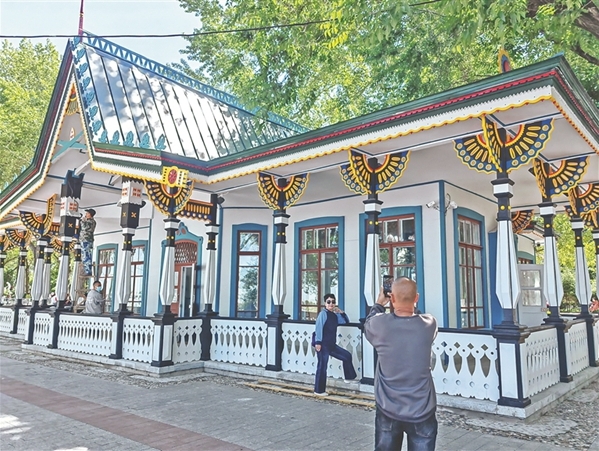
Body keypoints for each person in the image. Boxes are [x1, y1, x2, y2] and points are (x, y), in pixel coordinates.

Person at [364, 277, 438, 451]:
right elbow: (416, 316)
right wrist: (408, 298)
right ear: (417, 298)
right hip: (422, 409)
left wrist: (379, 304)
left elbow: (368, 322)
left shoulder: (379, 324)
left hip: (388, 408)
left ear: (392, 298)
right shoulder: (429, 324)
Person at [313, 293, 357, 396]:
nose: (331, 304)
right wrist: (318, 342)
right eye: (328, 302)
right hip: (323, 345)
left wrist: (341, 312)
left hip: (331, 345)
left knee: (346, 356)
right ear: (325, 303)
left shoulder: (334, 315)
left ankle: (349, 377)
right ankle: (319, 390)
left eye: (333, 302)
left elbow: (345, 321)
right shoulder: (323, 314)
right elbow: (318, 327)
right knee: (322, 367)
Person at [80, 208, 97, 276]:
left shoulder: (91, 222)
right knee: (85, 255)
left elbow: (84, 227)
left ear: (90, 214)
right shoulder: (88, 221)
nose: (86, 214)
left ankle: (88, 271)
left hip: (86, 239)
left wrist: (82, 220)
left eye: (87, 213)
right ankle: (86, 270)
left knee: (86, 255)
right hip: (84, 239)